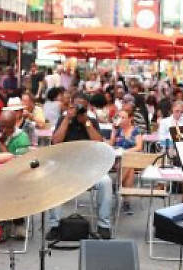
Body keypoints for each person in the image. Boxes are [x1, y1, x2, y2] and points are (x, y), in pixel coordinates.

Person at [48, 95, 113, 240]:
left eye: (82, 107)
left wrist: (86, 123)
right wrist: (67, 119)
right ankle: (54, 225)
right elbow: (56, 142)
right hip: (66, 168)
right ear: (71, 106)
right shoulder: (62, 120)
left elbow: (99, 143)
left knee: (106, 182)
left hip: (89, 169)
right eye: (76, 106)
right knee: (53, 182)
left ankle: (104, 225)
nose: (79, 110)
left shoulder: (92, 121)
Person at [109, 108, 143, 214]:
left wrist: (125, 152)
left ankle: (116, 185)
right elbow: (110, 145)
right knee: (130, 168)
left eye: (124, 118)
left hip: (132, 158)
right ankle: (126, 202)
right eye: (119, 117)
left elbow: (139, 147)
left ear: (130, 119)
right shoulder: (117, 130)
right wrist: (113, 132)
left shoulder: (135, 130)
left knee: (129, 163)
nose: (121, 120)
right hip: (117, 160)